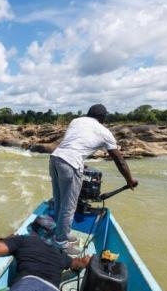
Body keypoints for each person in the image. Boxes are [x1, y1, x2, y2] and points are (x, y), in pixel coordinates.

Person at [50, 104, 138, 246]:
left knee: (59, 201)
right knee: (69, 206)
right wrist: (129, 180)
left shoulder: (76, 121)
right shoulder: (105, 132)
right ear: (103, 117)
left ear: (88, 113)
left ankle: (60, 233)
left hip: (55, 159)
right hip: (70, 163)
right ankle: (61, 242)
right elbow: (119, 160)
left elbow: (75, 142)